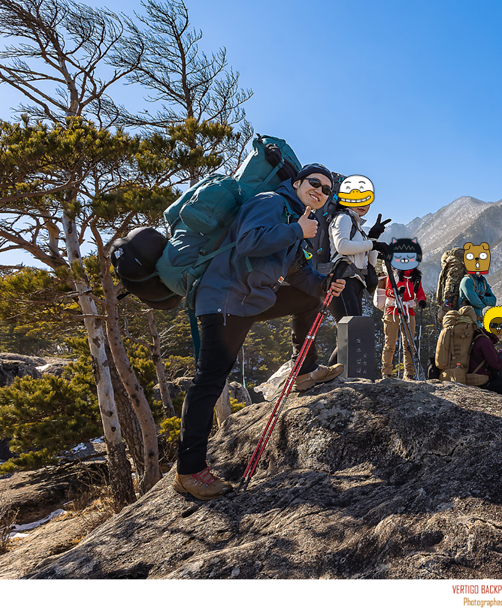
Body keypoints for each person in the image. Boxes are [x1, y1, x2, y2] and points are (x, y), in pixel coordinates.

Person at [174, 164, 347, 501]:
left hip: (251, 299)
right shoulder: (270, 202)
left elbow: (299, 274)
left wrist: (325, 283)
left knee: (310, 298)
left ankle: (306, 372)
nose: (321, 192)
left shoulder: (296, 219)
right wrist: (298, 231)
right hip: (225, 299)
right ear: (296, 183)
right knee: (209, 380)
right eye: (315, 183)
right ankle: (188, 470)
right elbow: (248, 241)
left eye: (327, 190)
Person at [314, 175, 391, 364]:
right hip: (342, 280)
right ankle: (330, 375)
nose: (362, 204)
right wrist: (371, 245)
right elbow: (342, 246)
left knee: (351, 332)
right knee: (352, 330)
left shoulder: (356, 225)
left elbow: (367, 262)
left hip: (355, 281)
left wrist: (372, 239)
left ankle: (336, 375)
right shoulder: (343, 218)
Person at [382, 265, 426, 380]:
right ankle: (387, 373)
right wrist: (396, 292)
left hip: (408, 311)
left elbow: (419, 291)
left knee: (409, 344)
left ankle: (409, 374)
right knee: (390, 343)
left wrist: (421, 300)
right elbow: (388, 291)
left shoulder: (415, 277)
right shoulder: (394, 275)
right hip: (393, 310)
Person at [468, 322, 502, 398]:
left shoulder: (480, 338)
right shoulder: (485, 342)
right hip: (481, 384)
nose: (501, 337)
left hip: (476, 379)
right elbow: (497, 364)